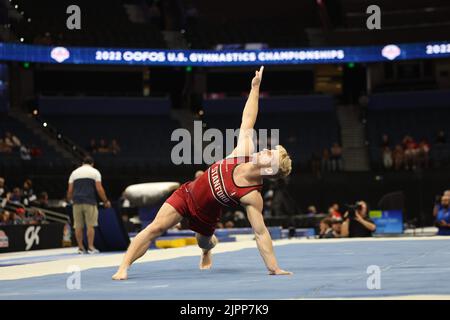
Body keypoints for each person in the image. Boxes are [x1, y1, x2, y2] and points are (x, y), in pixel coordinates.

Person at [112, 66, 293, 280]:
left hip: (206, 216)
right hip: (186, 194)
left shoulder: (252, 195)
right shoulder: (243, 152)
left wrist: (274, 268)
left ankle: (208, 248)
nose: (264, 149)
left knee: (204, 241)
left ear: (269, 169)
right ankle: (123, 266)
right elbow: (248, 119)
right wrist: (255, 88)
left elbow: (261, 233)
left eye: (268, 153)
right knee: (155, 227)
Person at [67, 156, 111, 254]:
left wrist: (69, 200)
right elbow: (99, 189)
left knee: (78, 226)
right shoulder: (95, 172)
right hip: (90, 202)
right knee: (90, 225)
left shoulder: (74, 173)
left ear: (82, 163)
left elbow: (70, 190)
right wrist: (105, 201)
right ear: (92, 164)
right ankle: (91, 247)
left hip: (76, 202)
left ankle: (80, 248)